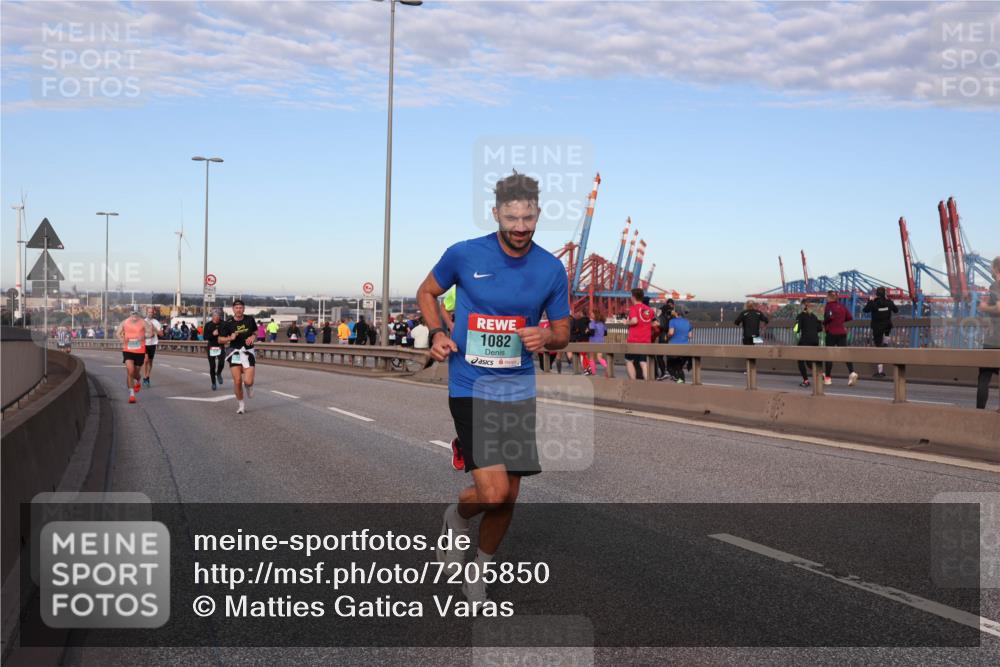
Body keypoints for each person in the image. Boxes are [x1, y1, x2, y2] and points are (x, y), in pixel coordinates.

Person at [416, 171, 570, 604]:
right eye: (511, 217)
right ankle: (456, 516)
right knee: (493, 492)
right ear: (496, 213)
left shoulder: (550, 268)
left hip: (517, 388)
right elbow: (427, 292)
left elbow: (562, 330)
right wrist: (437, 331)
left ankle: (479, 569)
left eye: (528, 218)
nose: (520, 227)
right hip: (470, 383)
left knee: (510, 495)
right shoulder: (464, 254)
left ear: (538, 214)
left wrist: (549, 338)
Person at [219, 299, 258, 414]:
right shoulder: (228, 323)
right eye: (236, 308)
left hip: (248, 352)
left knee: (248, 381)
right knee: (237, 381)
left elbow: (255, 332)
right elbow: (220, 339)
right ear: (233, 309)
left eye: (241, 308)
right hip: (234, 353)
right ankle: (241, 405)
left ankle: (249, 386)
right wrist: (229, 338)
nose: (239, 310)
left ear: (244, 309)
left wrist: (253, 337)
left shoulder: (249, 320)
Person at [976, 256, 1000, 410]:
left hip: (994, 340)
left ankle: (980, 413)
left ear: (995, 269)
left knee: (984, 377)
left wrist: (984, 307)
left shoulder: (996, 285)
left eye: (991, 267)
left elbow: (999, 308)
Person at [116, 309, 153, 404]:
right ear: (130, 314)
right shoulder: (124, 322)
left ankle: (138, 379)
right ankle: (132, 395)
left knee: (136, 373)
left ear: (139, 315)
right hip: (128, 349)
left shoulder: (143, 322)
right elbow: (118, 333)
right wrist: (122, 340)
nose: (134, 316)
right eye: (133, 314)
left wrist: (144, 336)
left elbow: (151, 333)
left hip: (140, 350)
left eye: (136, 314)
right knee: (130, 370)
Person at [823, 290, 858, 386]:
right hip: (842, 332)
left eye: (827, 297)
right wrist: (841, 320)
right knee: (844, 353)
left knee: (829, 355)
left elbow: (828, 317)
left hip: (831, 333)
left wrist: (824, 322)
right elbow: (850, 317)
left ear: (829, 297)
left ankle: (828, 378)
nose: (826, 298)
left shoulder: (829, 306)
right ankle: (852, 372)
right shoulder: (842, 306)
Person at [863, 287, 899, 377]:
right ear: (885, 294)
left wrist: (870, 301)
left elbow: (865, 310)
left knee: (878, 349)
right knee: (887, 330)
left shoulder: (874, 303)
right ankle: (886, 341)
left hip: (877, 328)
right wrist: (889, 303)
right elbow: (896, 310)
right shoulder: (889, 302)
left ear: (876, 294)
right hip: (887, 326)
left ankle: (880, 372)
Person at [626, 288, 655, 380]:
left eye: (631, 296)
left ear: (633, 297)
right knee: (643, 362)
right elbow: (654, 323)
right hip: (646, 340)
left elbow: (634, 321)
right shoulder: (649, 310)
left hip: (634, 340)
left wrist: (626, 322)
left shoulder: (633, 308)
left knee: (629, 360)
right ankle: (647, 383)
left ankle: (634, 382)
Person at [793, 301, 823, 387]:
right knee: (810, 360)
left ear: (802, 307)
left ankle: (806, 381)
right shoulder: (814, 316)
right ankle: (820, 373)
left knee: (800, 360)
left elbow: (796, 330)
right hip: (815, 340)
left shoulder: (800, 316)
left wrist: (796, 325)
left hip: (805, 340)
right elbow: (820, 329)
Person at [665, 307, 692, 382]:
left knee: (669, 367)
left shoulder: (672, 321)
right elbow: (690, 336)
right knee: (679, 367)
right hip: (685, 348)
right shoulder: (688, 322)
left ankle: (679, 381)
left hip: (674, 348)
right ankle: (681, 382)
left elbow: (671, 333)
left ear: (676, 313)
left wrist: (667, 336)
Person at [204, 309, 226, 390]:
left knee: (222, 363)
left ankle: (219, 373)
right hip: (211, 347)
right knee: (212, 366)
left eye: (218, 316)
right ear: (212, 316)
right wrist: (213, 334)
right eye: (215, 316)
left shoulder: (223, 323)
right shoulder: (208, 325)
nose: (217, 317)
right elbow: (205, 337)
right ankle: (213, 383)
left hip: (220, 346)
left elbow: (227, 333)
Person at [142, 306, 163, 387]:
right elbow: (139, 334)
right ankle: (145, 377)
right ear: (146, 313)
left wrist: (154, 329)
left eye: (151, 312)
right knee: (146, 360)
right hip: (145, 344)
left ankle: (147, 377)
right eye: (149, 312)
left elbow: (161, 334)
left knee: (150, 361)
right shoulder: (143, 322)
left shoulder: (156, 322)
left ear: (153, 313)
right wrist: (147, 336)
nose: (150, 314)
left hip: (153, 344)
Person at [569, 306, 593, 375]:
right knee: (585, 355)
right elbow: (591, 331)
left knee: (582, 355)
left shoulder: (578, 321)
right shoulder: (589, 321)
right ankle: (588, 369)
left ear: (582, 313)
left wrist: (573, 333)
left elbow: (576, 330)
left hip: (580, 340)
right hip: (587, 340)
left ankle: (586, 369)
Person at [655, 299, 675, 379]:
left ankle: (663, 372)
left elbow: (661, 325)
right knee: (669, 355)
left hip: (663, 336)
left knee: (659, 356)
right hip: (671, 337)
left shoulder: (662, 313)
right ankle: (671, 372)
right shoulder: (672, 315)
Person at [588, 308, 608, 375]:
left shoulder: (592, 323)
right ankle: (606, 367)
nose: (590, 314)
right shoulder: (602, 323)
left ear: (595, 315)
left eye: (592, 313)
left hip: (593, 342)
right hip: (601, 341)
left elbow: (592, 333)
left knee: (591, 358)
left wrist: (587, 331)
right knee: (599, 357)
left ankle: (593, 373)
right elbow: (605, 333)